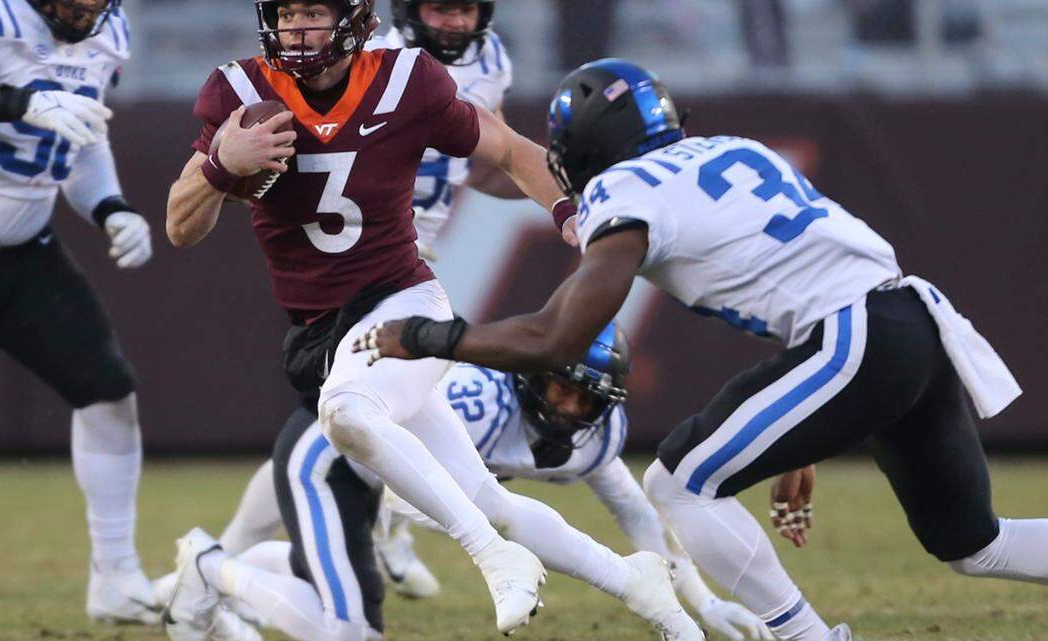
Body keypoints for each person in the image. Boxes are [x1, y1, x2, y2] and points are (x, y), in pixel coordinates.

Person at [354, 58, 1044, 641]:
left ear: (583, 151)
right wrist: (801, 442)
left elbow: (556, 338)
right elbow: (806, 276)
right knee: (974, 542)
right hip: (909, 323)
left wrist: (426, 336)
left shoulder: (624, 190)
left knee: (679, 482)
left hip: (854, 338)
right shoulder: (733, 150)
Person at [163, 3, 699, 640]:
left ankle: (492, 558)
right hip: (319, 327)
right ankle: (640, 585)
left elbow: (508, 149)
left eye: (313, 11)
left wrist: (568, 213)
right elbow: (180, 226)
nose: (296, 28)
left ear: (355, 18)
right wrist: (223, 166)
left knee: (347, 412)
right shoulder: (240, 92)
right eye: (286, 13)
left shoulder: (405, 80)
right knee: (490, 501)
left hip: (401, 298)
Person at [210, 0, 521, 560]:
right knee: (341, 420)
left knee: (348, 420)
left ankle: (233, 557)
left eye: (467, 9)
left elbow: (487, 162)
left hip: (409, 259)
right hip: (362, 262)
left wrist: (564, 190)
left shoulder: (487, 60)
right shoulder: (373, 63)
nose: (455, 23)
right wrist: (227, 168)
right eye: (440, 8)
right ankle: (392, 530)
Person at [0, 0, 158, 625]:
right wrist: (16, 101)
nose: (85, 10)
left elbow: (82, 140)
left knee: (108, 391)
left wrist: (111, 207)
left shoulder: (110, 33)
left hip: (25, 252)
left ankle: (116, 575)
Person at [372, 322, 772, 640]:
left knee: (489, 507)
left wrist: (704, 602)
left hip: (474, 483)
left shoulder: (599, 437)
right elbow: (398, 473)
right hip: (392, 428)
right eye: (564, 387)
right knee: (425, 497)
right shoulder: (477, 402)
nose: (571, 408)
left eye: (589, 399)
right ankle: (387, 538)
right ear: (535, 374)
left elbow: (637, 514)